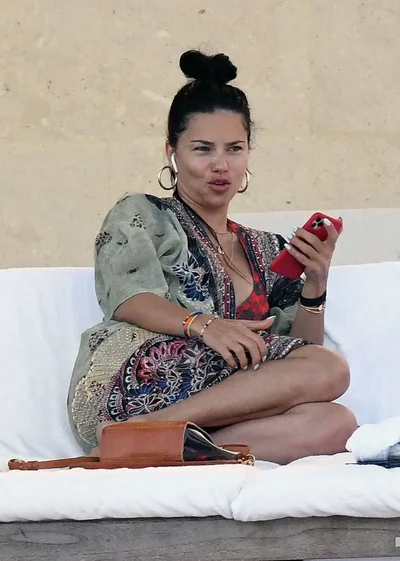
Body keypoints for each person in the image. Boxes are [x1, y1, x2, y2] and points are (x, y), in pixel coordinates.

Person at [67, 49, 357, 464]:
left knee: (336, 424)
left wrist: (316, 282)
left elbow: (300, 361)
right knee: (333, 368)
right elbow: (129, 297)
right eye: (203, 149)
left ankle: (157, 445)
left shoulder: (268, 249)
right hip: (136, 378)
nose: (220, 165)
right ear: (172, 153)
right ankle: (144, 430)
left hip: (222, 401)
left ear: (248, 155)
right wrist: (205, 326)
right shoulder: (144, 214)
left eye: (234, 149)